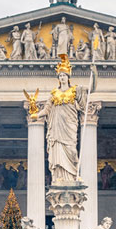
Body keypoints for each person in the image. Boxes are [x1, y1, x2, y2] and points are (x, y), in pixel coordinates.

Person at [39, 55, 94, 184]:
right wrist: (36, 115)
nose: (62, 77)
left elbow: (92, 88)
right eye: (60, 76)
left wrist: (95, 72)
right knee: (57, 151)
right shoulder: (54, 94)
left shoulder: (76, 90)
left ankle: (72, 177)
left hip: (69, 127)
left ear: (68, 77)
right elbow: (46, 109)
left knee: (71, 151)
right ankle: (59, 177)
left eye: (64, 75)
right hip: (57, 129)